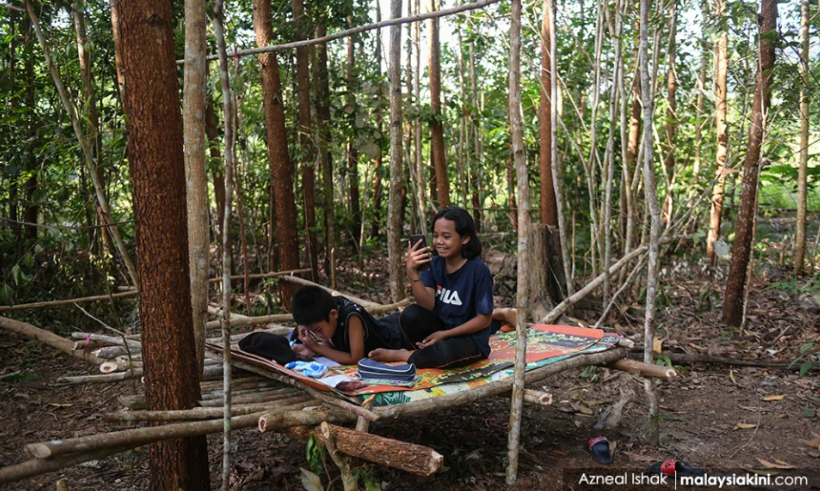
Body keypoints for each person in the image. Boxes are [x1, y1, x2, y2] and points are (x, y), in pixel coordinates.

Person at [370, 207, 515, 369]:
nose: (439, 242)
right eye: (436, 236)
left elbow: (484, 319)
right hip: (440, 331)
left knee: (445, 352)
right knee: (410, 314)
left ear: (465, 238)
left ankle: (406, 355)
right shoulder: (434, 265)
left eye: (446, 237)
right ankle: (425, 353)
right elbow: (427, 305)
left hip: (469, 340)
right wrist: (413, 273)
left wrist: (445, 335)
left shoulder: (478, 271)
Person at [290, 285, 404, 365]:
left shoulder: (351, 317)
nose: (318, 335)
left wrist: (316, 347)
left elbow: (355, 358)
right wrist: (312, 350)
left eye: (319, 330)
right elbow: (331, 346)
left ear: (333, 314)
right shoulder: (329, 309)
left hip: (400, 335)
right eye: (313, 332)